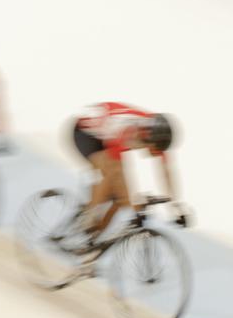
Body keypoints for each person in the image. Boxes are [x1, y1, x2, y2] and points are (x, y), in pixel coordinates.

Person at [66, 102, 189, 250]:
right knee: (111, 178)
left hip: (106, 133)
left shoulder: (155, 133)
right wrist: (134, 205)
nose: (154, 153)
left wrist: (175, 206)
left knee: (119, 198)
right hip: (85, 133)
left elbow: (166, 172)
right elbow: (117, 172)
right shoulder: (127, 133)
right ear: (145, 137)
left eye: (158, 150)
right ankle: (90, 214)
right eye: (153, 148)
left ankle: (91, 244)